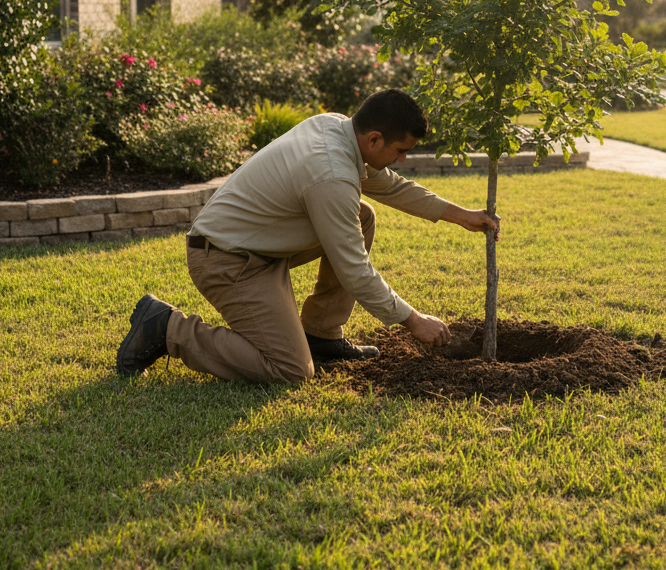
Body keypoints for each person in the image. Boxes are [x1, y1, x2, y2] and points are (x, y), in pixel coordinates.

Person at [116, 89, 500, 382]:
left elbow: (391, 185)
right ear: (375, 140)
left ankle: (321, 334)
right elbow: (354, 271)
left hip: (255, 247)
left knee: (361, 215)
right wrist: (413, 320)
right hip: (226, 260)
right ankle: (167, 327)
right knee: (290, 369)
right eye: (401, 150)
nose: (402, 159)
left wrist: (460, 215)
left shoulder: (337, 127)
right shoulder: (331, 173)